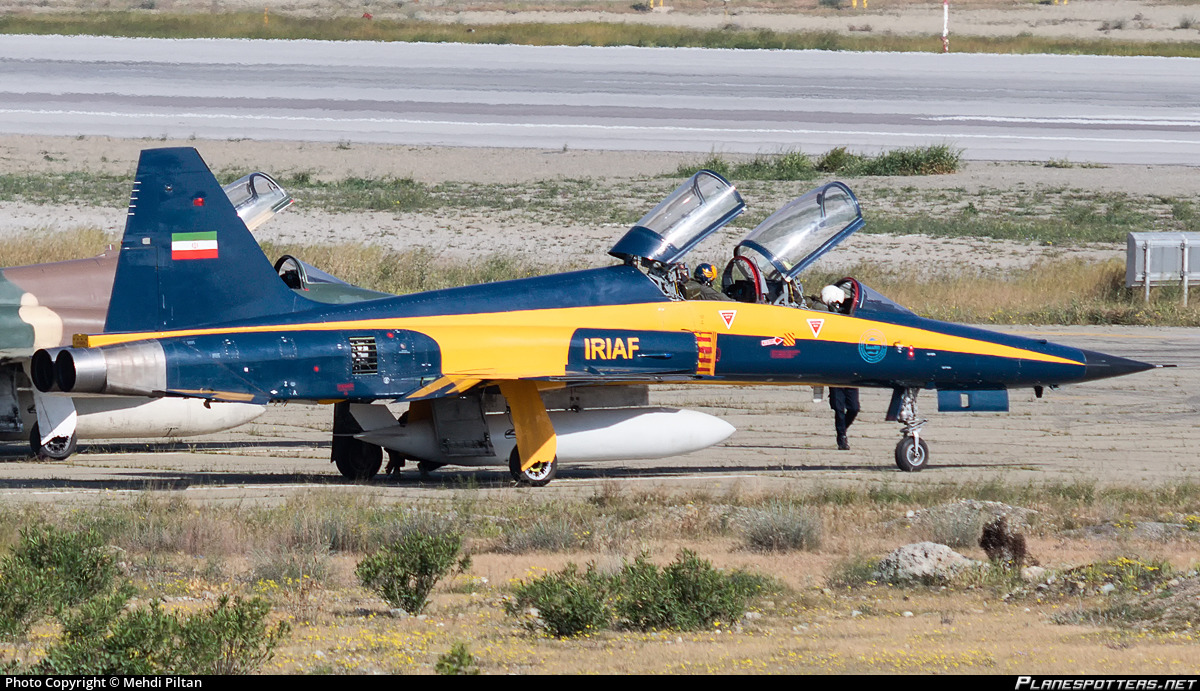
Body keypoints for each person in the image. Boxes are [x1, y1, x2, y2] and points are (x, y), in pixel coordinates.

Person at [820, 283, 859, 450]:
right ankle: (842, 438)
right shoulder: (826, 320)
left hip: (850, 370)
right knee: (839, 408)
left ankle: (842, 431)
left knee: (854, 408)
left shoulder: (851, 315)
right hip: (835, 371)